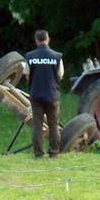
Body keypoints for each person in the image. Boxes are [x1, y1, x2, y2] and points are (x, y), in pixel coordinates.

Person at [25, 30, 64, 158]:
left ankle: (38, 153)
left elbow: (26, 74)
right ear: (48, 39)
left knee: (37, 125)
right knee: (53, 125)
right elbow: (60, 75)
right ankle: (54, 152)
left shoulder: (29, 57)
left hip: (36, 95)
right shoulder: (57, 56)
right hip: (52, 96)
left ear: (36, 40)